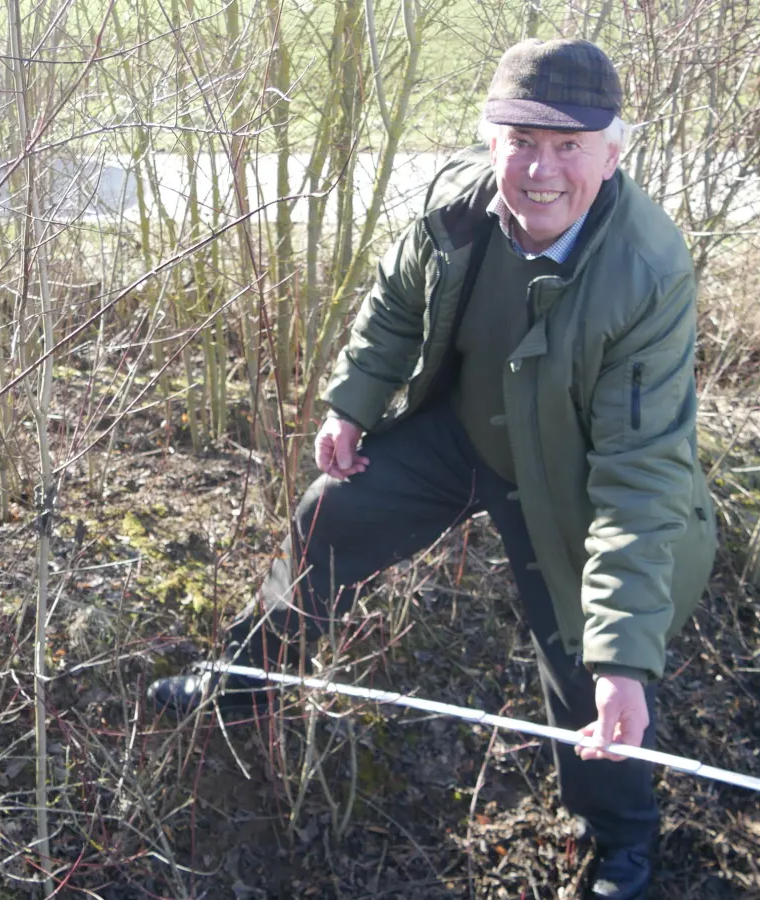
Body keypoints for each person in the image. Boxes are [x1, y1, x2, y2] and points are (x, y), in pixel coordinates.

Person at [149, 38, 716, 900]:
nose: (541, 169)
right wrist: (354, 404)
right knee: (329, 517)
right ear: (491, 140)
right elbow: (394, 309)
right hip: (465, 431)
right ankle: (241, 684)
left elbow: (640, 473)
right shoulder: (456, 205)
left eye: (569, 146)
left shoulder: (647, 273)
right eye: (522, 139)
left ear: (612, 152)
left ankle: (623, 845)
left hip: (568, 476)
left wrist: (625, 660)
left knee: (586, 662)